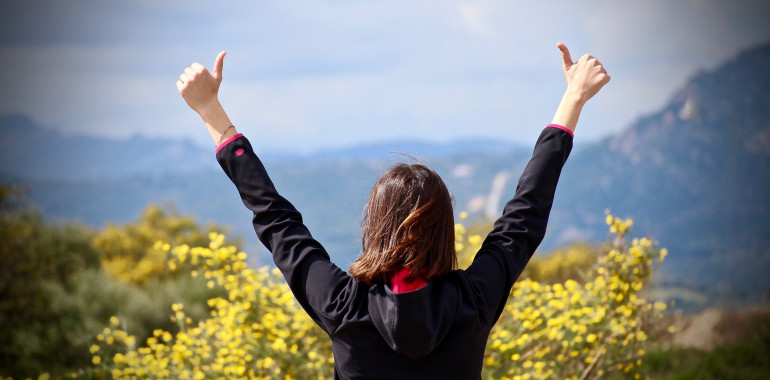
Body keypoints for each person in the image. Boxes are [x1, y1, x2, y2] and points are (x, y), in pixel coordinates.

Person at [176, 43, 609, 379]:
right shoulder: (472, 301)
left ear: (374, 226)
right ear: (445, 230)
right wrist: (572, 101)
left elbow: (274, 218)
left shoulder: (342, 306)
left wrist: (211, 111)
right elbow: (525, 215)